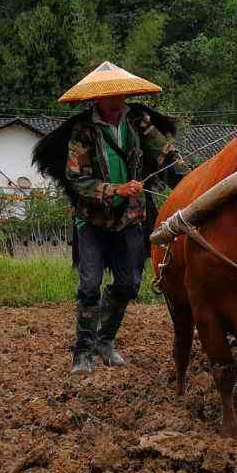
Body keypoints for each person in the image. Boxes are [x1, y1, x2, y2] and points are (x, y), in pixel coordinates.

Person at [43, 62, 186, 374]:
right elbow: (77, 179)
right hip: (92, 220)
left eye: (121, 94)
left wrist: (180, 169)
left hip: (131, 217)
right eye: (110, 95)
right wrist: (116, 189)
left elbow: (163, 151)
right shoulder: (83, 131)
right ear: (97, 99)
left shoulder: (138, 119)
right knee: (89, 285)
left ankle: (104, 340)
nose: (117, 100)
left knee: (130, 283)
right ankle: (82, 352)